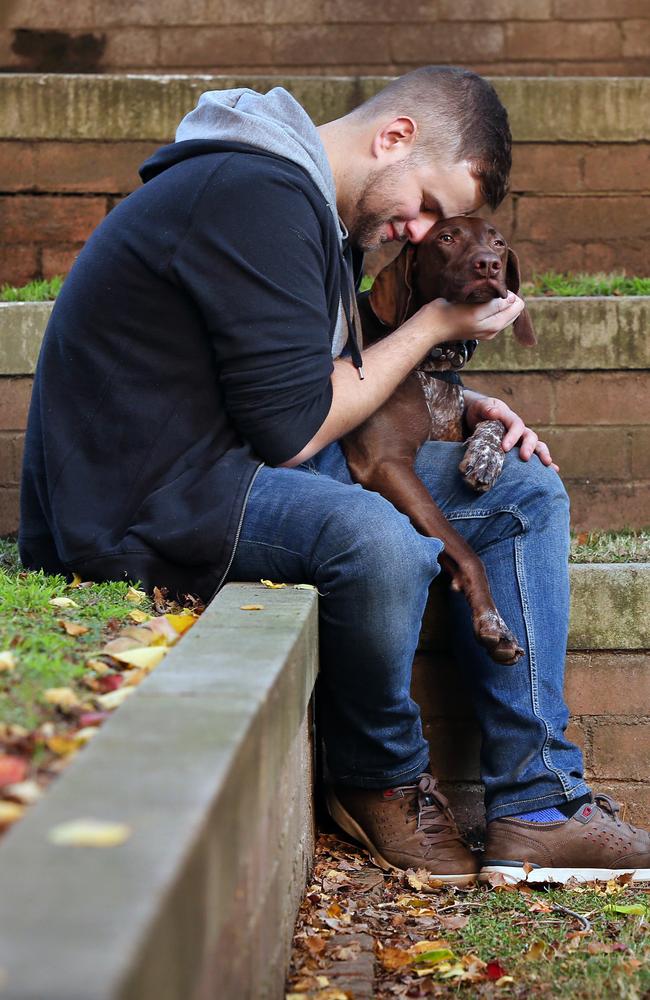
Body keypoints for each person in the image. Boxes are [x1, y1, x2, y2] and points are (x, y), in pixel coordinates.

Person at [20, 66, 649, 884]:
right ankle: (377, 773)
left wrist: (464, 401)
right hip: (145, 494)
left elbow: (304, 376)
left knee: (522, 491)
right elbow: (291, 428)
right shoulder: (255, 194)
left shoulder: (302, 208)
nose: (420, 230)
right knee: (378, 542)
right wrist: (431, 325)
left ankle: (538, 805)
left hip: (229, 458)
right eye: (426, 202)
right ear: (394, 138)